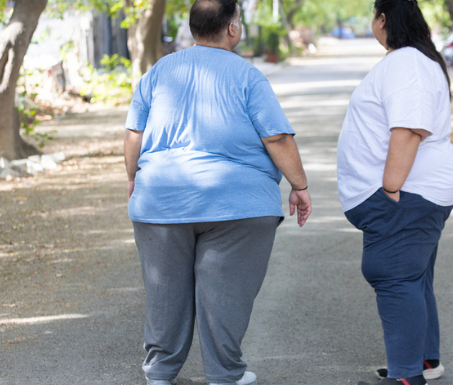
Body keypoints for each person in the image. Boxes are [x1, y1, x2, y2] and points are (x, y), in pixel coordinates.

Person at [123, 1, 312, 384]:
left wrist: (134, 178)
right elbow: (275, 136)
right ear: (232, 29)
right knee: (226, 293)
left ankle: (160, 373)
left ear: (193, 29)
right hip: (238, 205)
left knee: (164, 292)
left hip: (161, 199)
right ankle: (224, 374)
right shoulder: (248, 76)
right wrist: (300, 186)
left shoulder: (159, 72)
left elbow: (134, 134)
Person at [336, 0, 453, 384]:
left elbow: (409, 128)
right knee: (414, 275)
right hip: (419, 191)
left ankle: (407, 376)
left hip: (409, 191)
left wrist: (389, 188)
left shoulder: (407, 62)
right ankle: (424, 360)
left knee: (395, 275)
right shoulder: (415, 60)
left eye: (372, 15)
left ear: (383, 19)